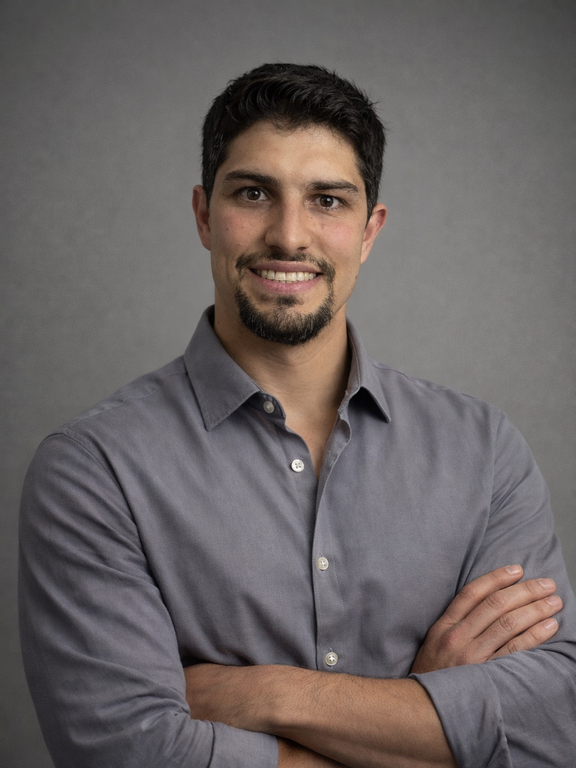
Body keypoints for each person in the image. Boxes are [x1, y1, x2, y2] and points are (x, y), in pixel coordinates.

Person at [19, 63, 575, 768]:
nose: (289, 236)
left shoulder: (484, 451)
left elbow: (553, 726)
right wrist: (427, 717)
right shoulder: (93, 468)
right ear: (203, 215)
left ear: (369, 230)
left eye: (328, 201)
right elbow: (130, 751)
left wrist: (264, 694)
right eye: (253, 193)